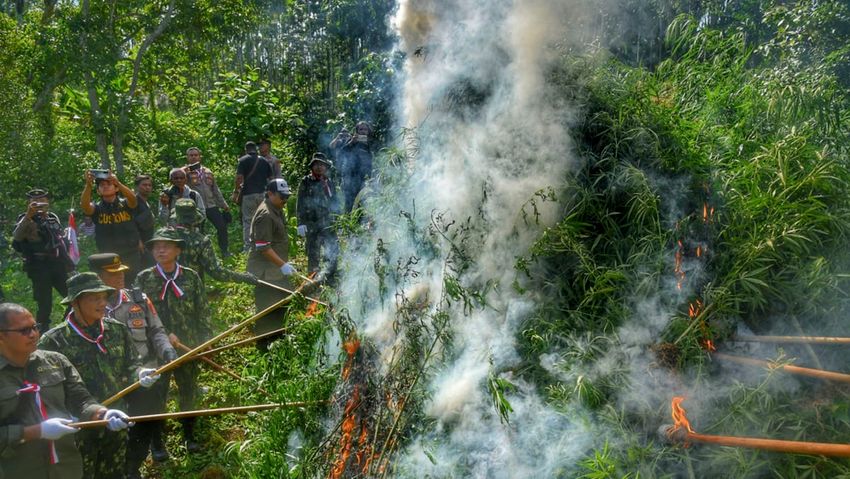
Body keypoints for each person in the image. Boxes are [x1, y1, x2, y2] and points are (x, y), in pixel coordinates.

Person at [39, 273, 156, 479]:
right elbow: (44, 388)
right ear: (76, 303)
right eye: (94, 298)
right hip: (78, 428)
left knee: (114, 473)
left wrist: (140, 374)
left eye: (104, 297)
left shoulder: (116, 330)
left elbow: (131, 365)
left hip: (115, 419)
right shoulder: (53, 342)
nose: (102, 303)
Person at [0, 302, 131, 479]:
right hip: (16, 470)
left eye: (34, 327)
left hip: (65, 467)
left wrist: (102, 414)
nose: (33, 335)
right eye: (24, 331)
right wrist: (37, 431)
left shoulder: (55, 361)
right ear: (2, 336)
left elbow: (81, 400)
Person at [87, 253, 177, 475]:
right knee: (118, 426)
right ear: (98, 277)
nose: (120, 278)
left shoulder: (138, 299)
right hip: (110, 379)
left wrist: (167, 349)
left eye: (121, 272)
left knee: (150, 414)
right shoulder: (87, 309)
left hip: (143, 372)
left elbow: (156, 329)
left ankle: (151, 447)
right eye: (112, 274)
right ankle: (125, 466)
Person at [134, 228, 211, 453]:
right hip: (157, 350)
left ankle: (189, 435)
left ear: (178, 250)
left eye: (166, 245)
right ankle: (157, 443)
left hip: (188, 347)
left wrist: (205, 342)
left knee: (189, 391)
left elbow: (203, 311)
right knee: (158, 395)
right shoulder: (143, 279)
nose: (160, 249)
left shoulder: (191, 276)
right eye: (156, 246)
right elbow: (138, 316)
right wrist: (162, 335)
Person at [12, 188, 74, 333]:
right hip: (38, 267)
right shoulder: (24, 219)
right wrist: (29, 215)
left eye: (42, 200)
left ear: (47, 202)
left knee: (73, 298)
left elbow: (59, 239)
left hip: (57, 264)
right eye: (35, 201)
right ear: (29, 203)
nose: (39, 204)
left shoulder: (52, 217)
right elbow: (17, 236)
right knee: (45, 305)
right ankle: (43, 334)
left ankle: (65, 326)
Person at [248, 179, 295, 351]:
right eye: (281, 197)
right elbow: (263, 247)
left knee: (283, 304)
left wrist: (283, 265)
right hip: (265, 274)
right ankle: (264, 348)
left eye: (286, 197)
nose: (285, 200)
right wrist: (283, 265)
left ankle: (280, 341)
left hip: (276, 271)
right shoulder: (265, 215)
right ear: (270, 194)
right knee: (267, 310)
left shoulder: (276, 209)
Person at [169, 198, 258, 287]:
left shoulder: (164, 238)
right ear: (195, 219)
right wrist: (242, 277)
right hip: (192, 292)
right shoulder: (200, 241)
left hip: (163, 291)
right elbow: (216, 272)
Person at [80, 170, 144, 284]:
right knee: (112, 285)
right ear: (98, 191)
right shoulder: (97, 208)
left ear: (116, 189)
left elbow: (133, 200)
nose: (105, 187)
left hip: (130, 253)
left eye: (109, 184)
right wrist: (88, 185)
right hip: (108, 255)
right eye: (101, 185)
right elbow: (85, 206)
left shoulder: (125, 204)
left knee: (134, 284)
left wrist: (118, 182)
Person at [296, 153, 340, 277]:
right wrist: (300, 223)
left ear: (326, 167)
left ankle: (330, 278)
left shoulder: (329, 182)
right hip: (312, 224)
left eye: (322, 165)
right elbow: (300, 203)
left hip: (328, 224)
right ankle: (312, 281)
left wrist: (338, 221)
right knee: (313, 255)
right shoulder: (306, 182)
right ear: (312, 166)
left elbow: (334, 201)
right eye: (316, 164)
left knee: (332, 253)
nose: (319, 167)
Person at [184, 147, 232, 257]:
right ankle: (199, 254)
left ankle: (224, 251)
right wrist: (185, 171)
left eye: (196, 155)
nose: (193, 157)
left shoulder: (207, 171)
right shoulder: (184, 172)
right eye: (191, 155)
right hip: (196, 207)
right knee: (199, 231)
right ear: (187, 157)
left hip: (211, 206)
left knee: (222, 227)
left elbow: (215, 189)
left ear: (200, 156)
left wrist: (224, 204)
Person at [235, 141, 274, 251]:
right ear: (255, 149)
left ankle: (248, 247)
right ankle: (264, 245)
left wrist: (236, 191)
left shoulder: (243, 160)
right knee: (263, 220)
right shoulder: (265, 161)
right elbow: (271, 179)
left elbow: (239, 178)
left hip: (248, 195)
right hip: (262, 194)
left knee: (248, 220)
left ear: (246, 149)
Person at [339, 121, 374, 212]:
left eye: (365, 129)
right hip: (351, 180)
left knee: (364, 206)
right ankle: (349, 225)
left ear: (368, 131)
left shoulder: (370, 144)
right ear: (356, 131)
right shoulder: (351, 142)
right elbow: (341, 154)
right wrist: (351, 142)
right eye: (360, 129)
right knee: (350, 207)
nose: (363, 131)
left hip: (365, 180)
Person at [133, 174, 156, 268]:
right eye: (144, 185)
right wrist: (138, 241)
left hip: (148, 241)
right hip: (138, 243)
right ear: (137, 187)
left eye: (149, 185)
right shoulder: (134, 202)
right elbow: (131, 222)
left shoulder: (146, 202)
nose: (147, 187)